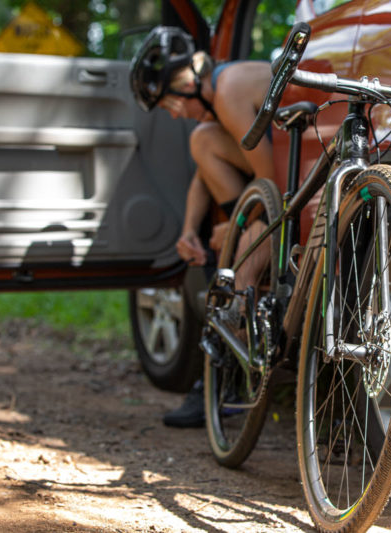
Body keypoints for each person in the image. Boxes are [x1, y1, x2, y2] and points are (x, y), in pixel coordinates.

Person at [129, 26, 274, 427]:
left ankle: (232, 380)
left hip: (294, 186)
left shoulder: (228, 92)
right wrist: (190, 230)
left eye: (170, 102)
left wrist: (239, 227)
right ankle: (225, 372)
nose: (174, 113)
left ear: (190, 82)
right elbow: (201, 177)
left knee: (241, 267)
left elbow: (273, 182)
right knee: (203, 140)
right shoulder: (219, 93)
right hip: (278, 184)